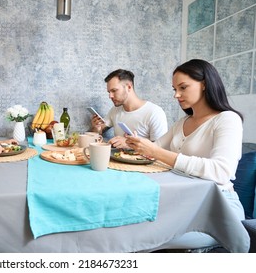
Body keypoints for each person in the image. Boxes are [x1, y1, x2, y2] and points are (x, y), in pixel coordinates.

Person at [125, 59, 246, 251]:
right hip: (184, 201)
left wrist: (156, 152)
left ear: (204, 84)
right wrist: (137, 145)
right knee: (127, 226)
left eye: (182, 87)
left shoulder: (227, 119)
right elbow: (153, 149)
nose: (176, 95)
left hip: (218, 209)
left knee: (138, 239)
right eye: (174, 88)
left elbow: (222, 171)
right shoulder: (182, 122)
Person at [90, 69, 168, 148]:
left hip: (142, 160)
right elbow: (99, 130)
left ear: (129, 87)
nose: (110, 96)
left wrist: (129, 144)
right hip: (116, 158)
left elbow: (160, 149)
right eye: (109, 92)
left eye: (114, 91)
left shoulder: (154, 112)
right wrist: (96, 129)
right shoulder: (115, 110)